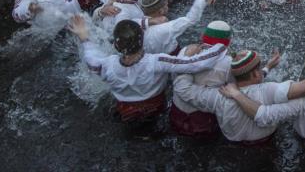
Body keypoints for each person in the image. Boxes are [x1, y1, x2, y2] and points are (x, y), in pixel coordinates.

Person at [173, 48, 305, 143]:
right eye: (259, 69)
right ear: (254, 74)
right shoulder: (268, 91)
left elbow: (183, 89)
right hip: (267, 146)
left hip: (233, 150)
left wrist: (187, 61)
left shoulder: (218, 96)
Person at [69, 15, 226, 123]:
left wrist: (84, 37)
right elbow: (194, 64)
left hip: (125, 114)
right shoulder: (156, 61)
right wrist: (219, 46)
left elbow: (91, 58)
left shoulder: (105, 66)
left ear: (115, 45)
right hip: (156, 112)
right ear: (142, 40)